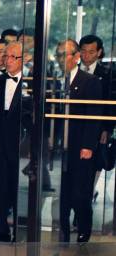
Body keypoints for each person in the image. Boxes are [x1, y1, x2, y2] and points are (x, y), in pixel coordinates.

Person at [55, 39, 103, 242]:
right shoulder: (56, 81)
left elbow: (94, 116)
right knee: (64, 192)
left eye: (63, 54)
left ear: (76, 57)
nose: (59, 59)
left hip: (80, 146)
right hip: (61, 148)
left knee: (80, 192)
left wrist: (88, 146)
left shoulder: (89, 81)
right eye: (57, 54)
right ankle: (64, 230)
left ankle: (84, 228)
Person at [0, 42, 32, 242]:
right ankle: (0, 231)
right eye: (7, 57)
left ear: (24, 59)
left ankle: (18, 232)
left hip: (20, 144)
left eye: (14, 57)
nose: (8, 61)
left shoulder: (31, 82)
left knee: (17, 189)